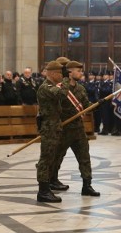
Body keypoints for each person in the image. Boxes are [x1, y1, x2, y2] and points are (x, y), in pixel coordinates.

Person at [51, 60, 100, 197]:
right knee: (57, 156)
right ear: (70, 72)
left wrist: (97, 105)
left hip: (78, 129)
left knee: (84, 157)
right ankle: (51, 180)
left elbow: (85, 104)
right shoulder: (61, 88)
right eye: (78, 71)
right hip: (64, 129)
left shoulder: (80, 88)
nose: (81, 73)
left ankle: (87, 185)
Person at [35, 60, 64, 203]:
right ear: (52, 73)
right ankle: (43, 191)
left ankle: (47, 187)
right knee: (46, 159)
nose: (61, 76)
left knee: (51, 157)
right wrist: (66, 82)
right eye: (59, 73)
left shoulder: (52, 85)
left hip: (54, 126)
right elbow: (60, 94)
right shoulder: (45, 87)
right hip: (48, 126)